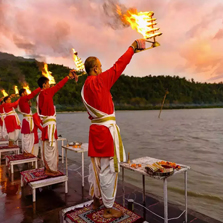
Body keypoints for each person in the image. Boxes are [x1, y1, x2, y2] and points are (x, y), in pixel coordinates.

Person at [81, 39, 146, 218]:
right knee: (109, 169)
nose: (102, 69)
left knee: (95, 167)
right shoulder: (99, 81)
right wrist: (132, 48)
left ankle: (96, 199)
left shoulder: (85, 86)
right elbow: (119, 65)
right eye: (100, 66)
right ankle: (108, 208)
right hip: (106, 133)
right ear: (95, 69)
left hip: (94, 131)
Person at [37, 70, 78, 176]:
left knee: (48, 147)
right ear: (44, 85)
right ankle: (50, 169)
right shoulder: (46, 93)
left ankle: (48, 168)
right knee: (51, 147)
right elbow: (59, 86)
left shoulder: (40, 95)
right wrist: (68, 77)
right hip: (49, 126)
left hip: (47, 125)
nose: (50, 84)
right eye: (48, 83)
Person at [18, 87, 41, 155]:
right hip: (27, 121)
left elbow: (25, 109)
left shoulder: (22, 100)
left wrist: (29, 106)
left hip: (27, 120)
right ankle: (27, 152)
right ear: (22, 94)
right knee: (28, 137)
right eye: (25, 92)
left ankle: (27, 151)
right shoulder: (23, 98)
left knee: (28, 137)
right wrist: (40, 88)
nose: (26, 94)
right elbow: (33, 94)